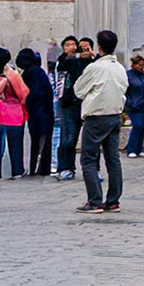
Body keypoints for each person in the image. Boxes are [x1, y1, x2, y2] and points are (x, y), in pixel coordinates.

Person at [73, 29, 127, 213]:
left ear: (99, 47)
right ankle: (113, 200)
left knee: (88, 159)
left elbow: (78, 90)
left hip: (96, 117)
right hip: (114, 115)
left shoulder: (95, 68)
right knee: (113, 159)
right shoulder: (120, 68)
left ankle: (95, 200)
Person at [0, 47, 28, 179]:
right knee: (15, 146)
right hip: (15, 114)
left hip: (0, 114)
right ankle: (16, 171)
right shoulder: (14, 75)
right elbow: (23, 94)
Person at [17, 48, 55, 177]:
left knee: (36, 140)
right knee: (45, 140)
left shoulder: (29, 73)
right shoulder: (40, 72)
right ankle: (43, 168)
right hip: (47, 111)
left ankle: (35, 168)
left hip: (36, 112)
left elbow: (28, 94)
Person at [53, 36, 85, 180]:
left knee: (76, 137)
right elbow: (62, 69)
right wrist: (71, 57)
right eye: (68, 45)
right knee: (67, 138)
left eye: (74, 44)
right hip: (67, 103)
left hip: (80, 103)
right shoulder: (62, 61)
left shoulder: (80, 62)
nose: (71, 47)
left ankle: (71, 166)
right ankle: (64, 167)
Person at [123, 52, 144, 158]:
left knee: (143, 127)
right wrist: (129, 102)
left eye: (143, 65)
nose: (141, 67)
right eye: (139, 65)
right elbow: (124, 90)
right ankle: (131, 149)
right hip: (134, 105)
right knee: (137, 126)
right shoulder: (128, 75)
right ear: (134, 65)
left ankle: (139, 149)